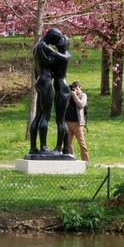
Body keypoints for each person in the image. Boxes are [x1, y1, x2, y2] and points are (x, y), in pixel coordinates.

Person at [29, 27, 72, 155]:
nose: (56, 43)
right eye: (57, 40)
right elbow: (62, 59)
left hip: (41, 81)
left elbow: (45, 64)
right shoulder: (45, 47)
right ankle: (44, 147)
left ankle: (35, 147)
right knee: (47, 116)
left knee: (40, 115)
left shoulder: (37, 47)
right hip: (47, 82)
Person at [64, 80, 89, 161]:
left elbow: (81, 104)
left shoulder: (83, 95)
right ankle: (71, 157)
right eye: (74, 88)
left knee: (81, 142)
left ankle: (85, 160)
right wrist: (68, 95)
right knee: (68, 142)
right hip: (68, 122)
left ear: (79, 88)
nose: (75, 90)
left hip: (77, 123)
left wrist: (75, 95)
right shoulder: (69, 96)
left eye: (77, 88)